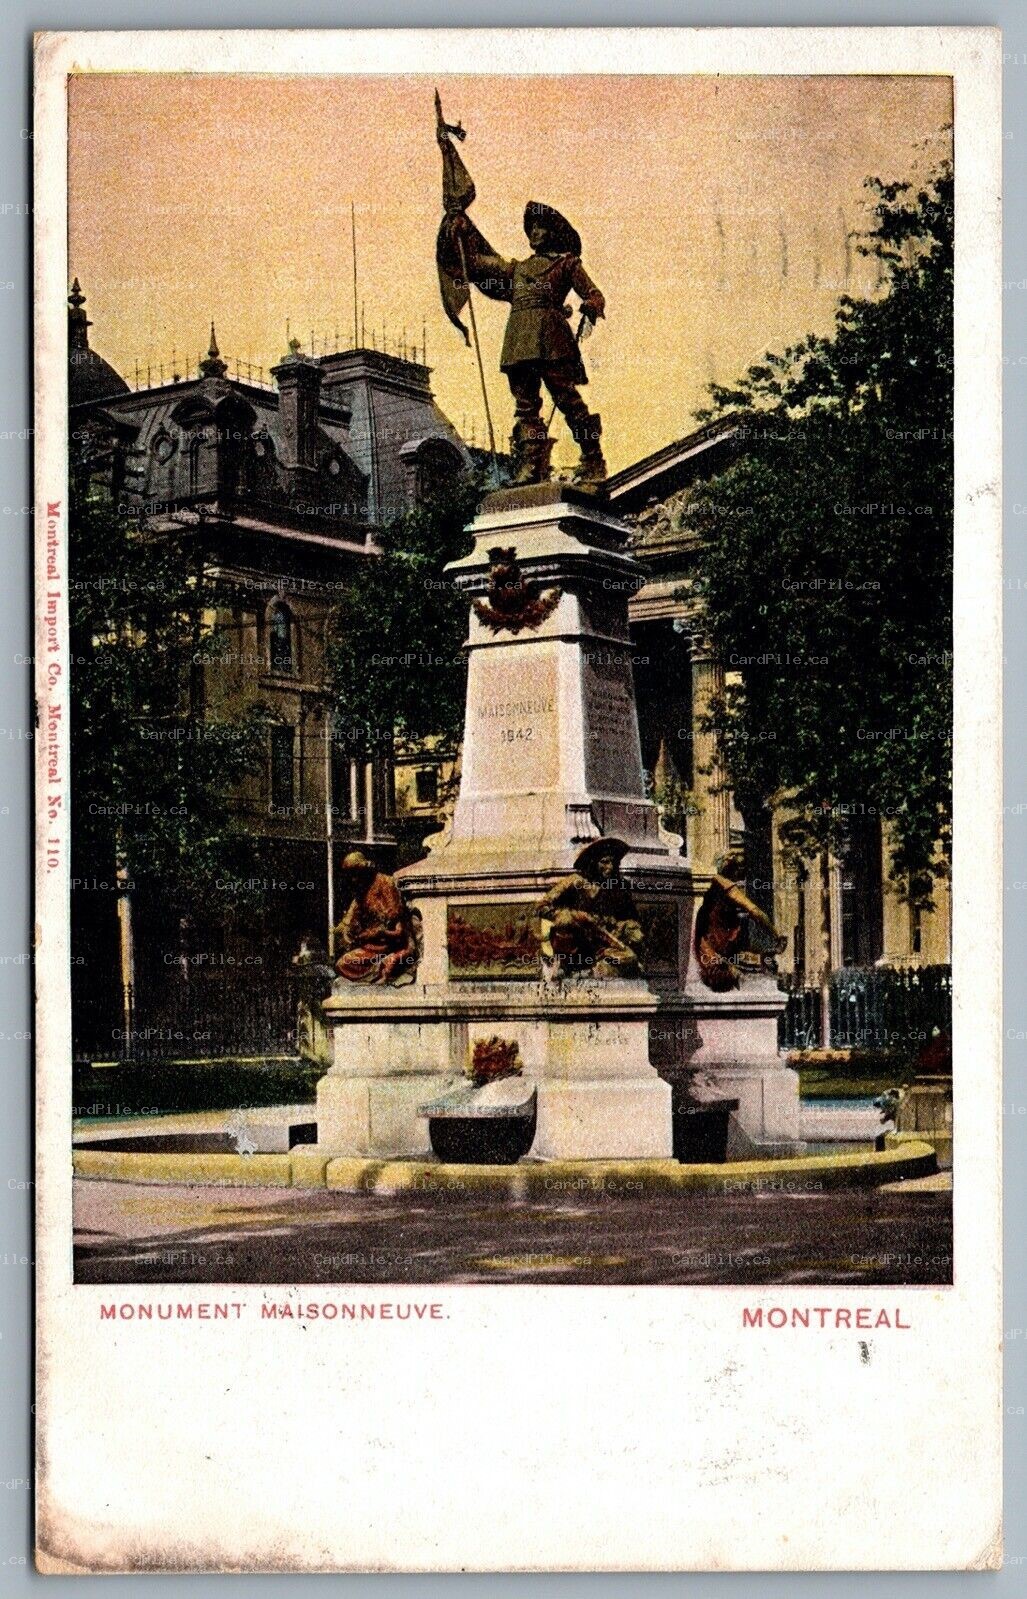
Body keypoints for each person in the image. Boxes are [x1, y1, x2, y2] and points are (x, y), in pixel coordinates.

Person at [449, 201, 607, 488]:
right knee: (525, 408)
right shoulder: (516, 270)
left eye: (540, 228)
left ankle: (593, 459)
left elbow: (594, 293)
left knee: (567, 399)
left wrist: (592, 305)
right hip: (520, 340)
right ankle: (532, 466)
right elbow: (477, 265)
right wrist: (462, 230)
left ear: (552, 232)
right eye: (531, 228)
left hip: (551, 339)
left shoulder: (567, 263)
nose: (534, 233)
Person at [538, 838, 644, 978]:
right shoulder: (575, 881)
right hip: (577, 939)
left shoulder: (618, 886)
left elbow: (628, 916)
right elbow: (542, 906)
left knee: (630, 957)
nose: (610, 867)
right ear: (593, 862)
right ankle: (565, 966)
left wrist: (625, 926)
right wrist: (572, 915)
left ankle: (594, 967)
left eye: (613, 862)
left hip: (602, 940)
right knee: (565, 921)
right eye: (604, 862)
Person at [693, 852, 786, 992]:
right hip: (718, 942)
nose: (740, 878)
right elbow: (756, 912)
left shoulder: (708, 882)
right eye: (739, 871)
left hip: (706, 943)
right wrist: (775, 935)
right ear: (731, 870)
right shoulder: (726, 887)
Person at [333, 851, 419, 986]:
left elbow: (399, 930)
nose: (353, 880)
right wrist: (350, 930)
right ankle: (378, 970)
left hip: (392, 945)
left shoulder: (386, 883)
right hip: (371, 946)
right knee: (342, 964)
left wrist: (379, 932)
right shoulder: (361, 890)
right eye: (351, 876)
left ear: (364, 869)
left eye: (356, 874)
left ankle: (382, 970)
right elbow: (353, 917)